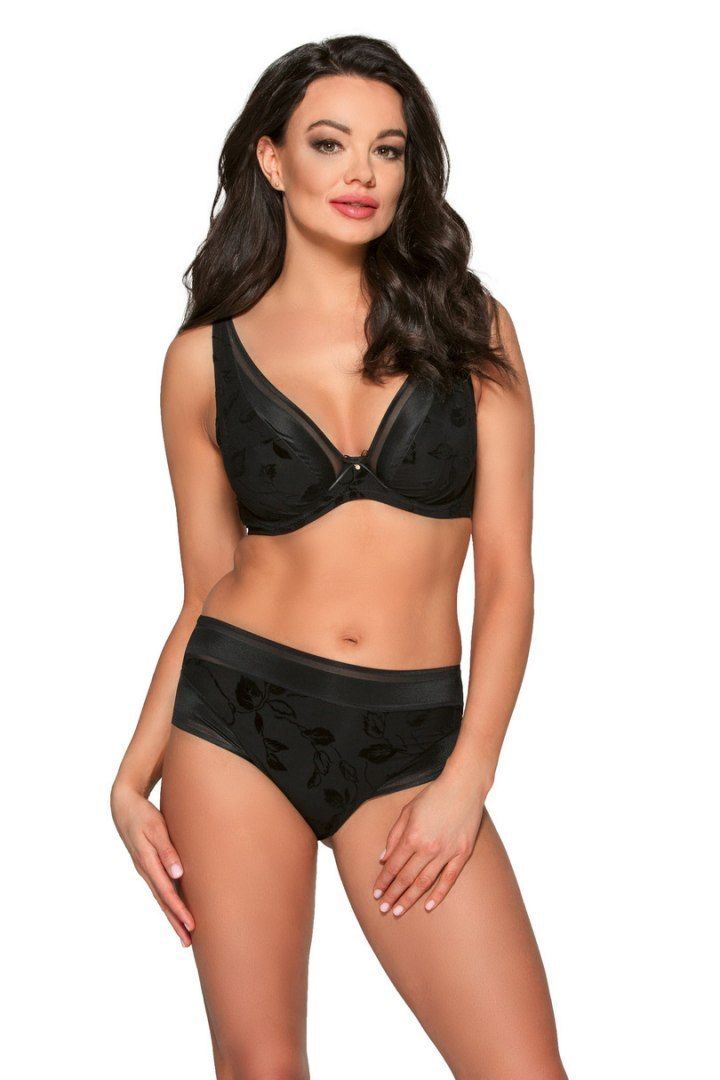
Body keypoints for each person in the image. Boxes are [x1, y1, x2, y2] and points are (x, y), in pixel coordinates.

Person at [111, 34, 568, 1080]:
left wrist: (468, 778)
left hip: (412, 742)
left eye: (387, 149)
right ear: (273, 160)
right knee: (263, 1068)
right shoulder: (201, 361)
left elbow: (508, 576)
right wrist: (134, 776)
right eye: (330, 143)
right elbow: (207, 589)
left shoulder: (472, 330)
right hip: (236, 722)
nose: (361, 172)